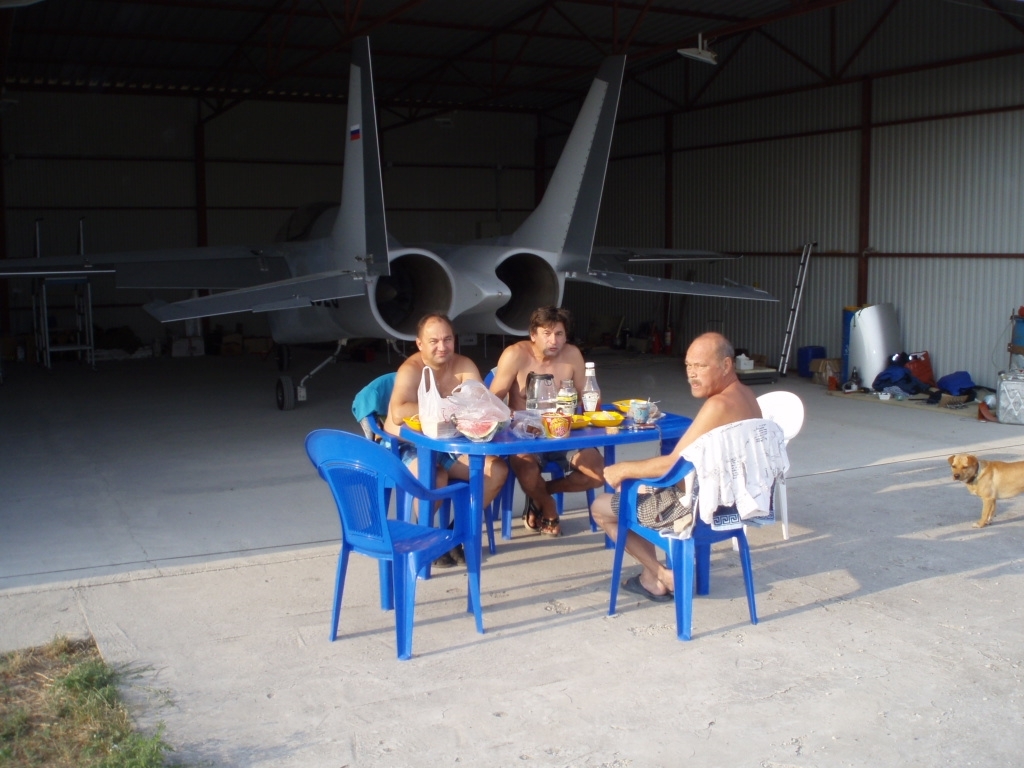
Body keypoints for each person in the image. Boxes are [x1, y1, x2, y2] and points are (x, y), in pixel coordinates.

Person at [590, 332, 762, 600]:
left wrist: (622, 470)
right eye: (688, 365)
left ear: (726, 365)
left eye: (700, 366)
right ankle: (652, 576)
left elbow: (672, 464)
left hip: (696, 513)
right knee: (640, 488)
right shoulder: (746, 396)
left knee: (601, 507)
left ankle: (659, 575)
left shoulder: (718, 405)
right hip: (731, 507)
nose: (692, 374)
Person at [385, 313, 508, 567]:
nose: (442, 347)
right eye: (434, 341)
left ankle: (454, 535)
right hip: (409, 445)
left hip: (450, 443)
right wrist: (446, 407)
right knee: (435, 477)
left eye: (447, 339)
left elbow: (481, 403)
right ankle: (426, 539)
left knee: (497, 470)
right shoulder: (411, 369)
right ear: (420, 343)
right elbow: (398, 412)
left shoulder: (464, 365)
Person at [488, 306, 605, 536]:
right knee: (528, 472)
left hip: (565, 433)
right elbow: (492, 400)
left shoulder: (572, 355)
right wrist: (510, 416)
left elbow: (590, 398)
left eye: (559, 334)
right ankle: (549, 507)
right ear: (533, 334)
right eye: (547, 333)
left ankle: (541, 494)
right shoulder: (516, 354)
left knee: (598, 473)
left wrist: (593, 398)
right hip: (526, 436)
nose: (554, 341)